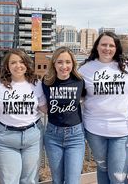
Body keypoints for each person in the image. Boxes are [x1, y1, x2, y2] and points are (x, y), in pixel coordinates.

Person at [78, 31, 128, 184]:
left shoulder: (127, 67)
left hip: (122, 130)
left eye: (111, 45)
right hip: (95, 130)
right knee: (102, 169)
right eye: (103, 44)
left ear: (116, 48)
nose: (107, 48)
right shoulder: (85, 69)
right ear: (97, 46)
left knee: (118, 176)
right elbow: (78, 96)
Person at [0, 49, 46, 184]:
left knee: (29, 180)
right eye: (13, 62)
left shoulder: (36, 84)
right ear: (7, 66)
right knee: (9, 181)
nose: (18, 65)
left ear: (27, 64)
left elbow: (45, 109)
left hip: (32, 135)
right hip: (6, 137)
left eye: (21, 62)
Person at [42, 46, 86, 184]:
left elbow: (86, 99)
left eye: (68, 62)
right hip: (53, 135)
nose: (64, 66)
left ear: (73, 63)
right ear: (54, 63)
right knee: (58, 180)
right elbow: (40, 101)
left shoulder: (80, 81)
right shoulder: (46, 82)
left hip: (76, 136)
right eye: (60, 62)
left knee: (72, 180)